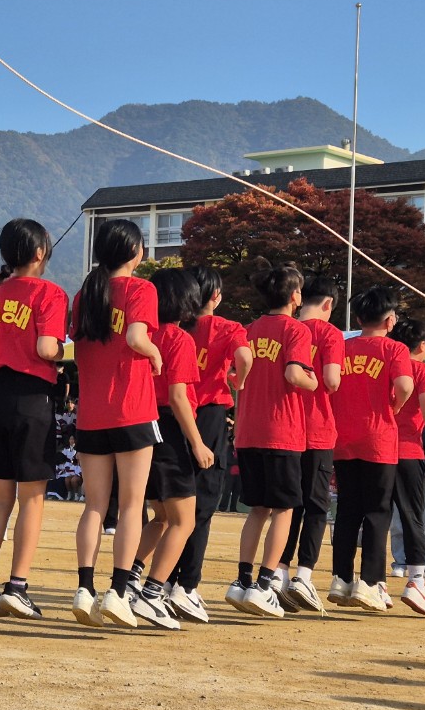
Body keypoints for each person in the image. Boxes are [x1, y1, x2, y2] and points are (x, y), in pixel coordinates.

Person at [0, 219, 68, 618]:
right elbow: (46, 347)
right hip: (30, 398)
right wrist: (61, 352)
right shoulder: (51, 293)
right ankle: (17, 586)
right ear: (40, 252)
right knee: (33, 497)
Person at [69, 219, 161, 628]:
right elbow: (136, 337)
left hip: (91, 414)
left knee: (93, 506)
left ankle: (85, 589)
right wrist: (155, 355)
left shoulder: (85, 294)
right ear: (136, 251)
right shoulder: (142, 289)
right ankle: (118, 592)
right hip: (132, 410)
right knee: (130, 507)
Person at [225, 259, 317, 619]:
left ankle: (242, 580)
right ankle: (264, 585)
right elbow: (295, 374)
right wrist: (315, 383)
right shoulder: (297, 331)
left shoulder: (248, 329)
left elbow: (236, 375)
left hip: (248, 431)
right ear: (295, 295)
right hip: (282, 431)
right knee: (285, 510)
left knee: (257, 510)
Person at [164, 265, 252, 624]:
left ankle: (163, 578)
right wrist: (237, 381)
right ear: (215, 296)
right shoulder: (229, 328)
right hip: (211, 415)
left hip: (175, 414)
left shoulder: (177, 328)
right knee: (202, 504)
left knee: (172, 505)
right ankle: (187, 584)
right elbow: (245, 358)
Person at [127, 268, 214, 629]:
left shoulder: (143, 334)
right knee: (184, 520)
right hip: (169, 431)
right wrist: (198, 444)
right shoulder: (179, 338)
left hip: (141, 426)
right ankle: (151, 592)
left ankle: (128, 579)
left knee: (161, 517)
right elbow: (179, 397)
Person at [326, 285, 413, 613]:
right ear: (390, 320)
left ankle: (341, 579)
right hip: (379, 440)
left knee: (348, 510)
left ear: (359, 317)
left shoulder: (343, 347)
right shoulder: (394, 350)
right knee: (377, 512)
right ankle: (370, 582)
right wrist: (395, 407)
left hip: (343, 439)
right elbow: (404, 385)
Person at [274, 273, 343, 615]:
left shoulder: (284, 327)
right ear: (328, 304)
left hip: (285, 429)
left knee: (289, 505)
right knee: (316, 506)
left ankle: (279, 572)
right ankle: (304, 575)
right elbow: (331, 380)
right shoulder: (329, 333)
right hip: (316, 429)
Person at [385, 318, 425, 616]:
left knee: (376, 515)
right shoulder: (423, 371)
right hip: (408, 450)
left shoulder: (385, 365)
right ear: (422, 345)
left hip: (377, 448)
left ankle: (374, 582)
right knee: (413, 517)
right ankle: (416, 580)